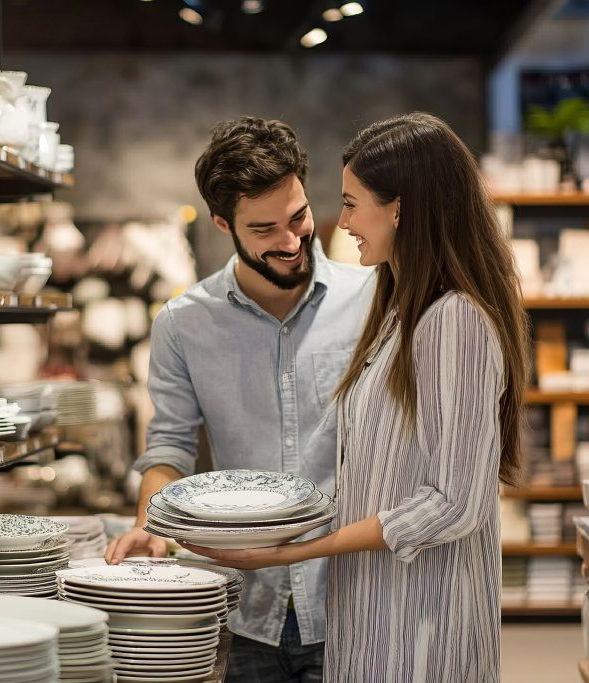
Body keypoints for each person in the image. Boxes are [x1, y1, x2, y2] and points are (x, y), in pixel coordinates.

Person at [182, 112, 531, 683]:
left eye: (350, 203)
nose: (340, 224)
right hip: (374, 619)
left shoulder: (453, 321)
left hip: (421, 628)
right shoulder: (399, 310)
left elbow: (455, 502)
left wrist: (296, 550)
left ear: (400, 208)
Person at [105, 115, 375, 682]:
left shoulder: (375, 300)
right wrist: (151, 523)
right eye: (264, 229)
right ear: (222, 223)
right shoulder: (183, 324)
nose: (290, 240)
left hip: (356, 601)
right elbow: (170, 446)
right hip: (248, 609)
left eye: (298, 216)